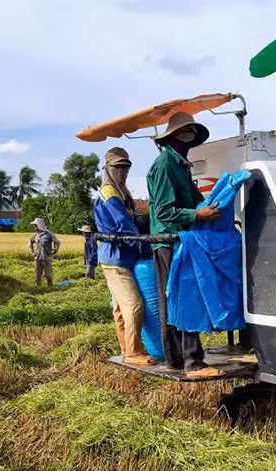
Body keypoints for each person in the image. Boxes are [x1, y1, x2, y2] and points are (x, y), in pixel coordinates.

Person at [147, 112, 222, 378]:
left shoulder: (179, 164)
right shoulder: (165, 165)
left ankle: (176, 359)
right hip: (170, 240)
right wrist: (197, 215)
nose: (190, 138)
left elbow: (191, 199)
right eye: (186, 133)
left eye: (193, 133)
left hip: (177, 239)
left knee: (174, 298)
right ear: (175, 137)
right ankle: (193, 362)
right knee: (183, 297)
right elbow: (166, 212)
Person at [96, 147, 154, 366]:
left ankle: (125, 348)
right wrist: (142, 244)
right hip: (115, 258)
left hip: (121, 256)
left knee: (120, 307)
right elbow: (123, 223)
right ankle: (133, 352)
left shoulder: (122, 191)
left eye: (126, 167)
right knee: (134, 305)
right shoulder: (110, 192)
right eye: (118, 167)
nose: (122, 171)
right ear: (108, 168)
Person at [28, 217, 60, 287]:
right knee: (37, 276)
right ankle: (38, 289)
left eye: (35, 225)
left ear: (38, 225)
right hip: (37, 258)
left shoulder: (48, 234)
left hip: (46, 259)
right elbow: (30, 242)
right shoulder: (35, 235)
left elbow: (57, 242)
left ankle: (50, 288)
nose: (34, 227)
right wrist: (32, 252)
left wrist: (53, 251)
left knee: (48, 275)